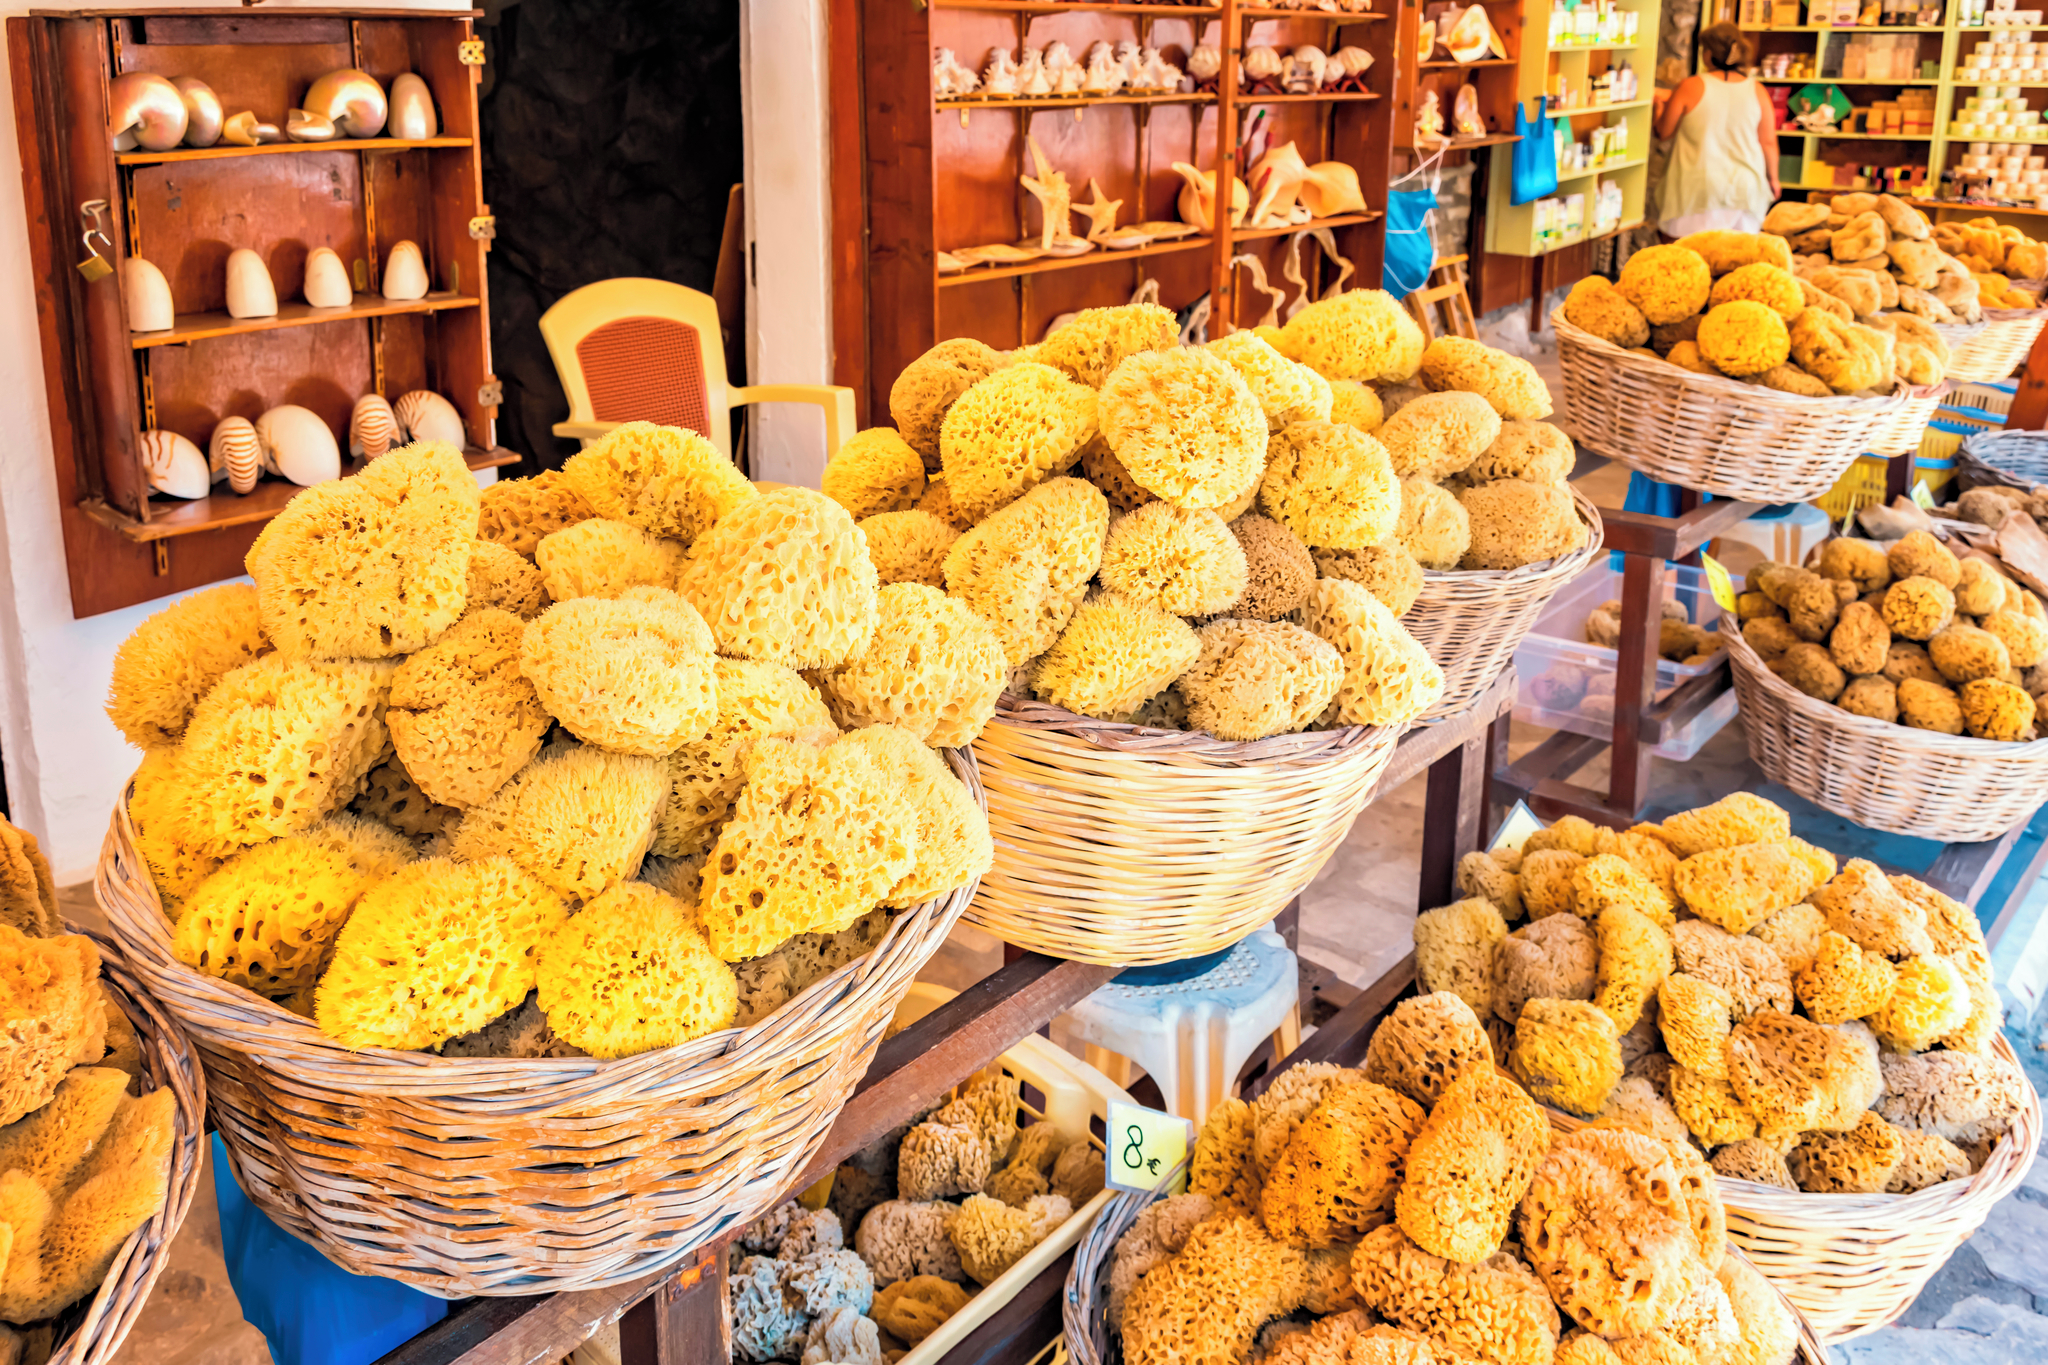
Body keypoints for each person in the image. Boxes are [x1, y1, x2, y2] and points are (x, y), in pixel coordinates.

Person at [1652, 23, 1779, 238]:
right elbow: (1767, 141)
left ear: (1708, 54)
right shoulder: (1757, 90)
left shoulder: (1690, 86)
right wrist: (1773, 179)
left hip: (1697, 190)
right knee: (1735, 261)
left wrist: (1658, 106)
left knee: (1687, 259)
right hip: (1745, 191)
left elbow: (1664, 131)